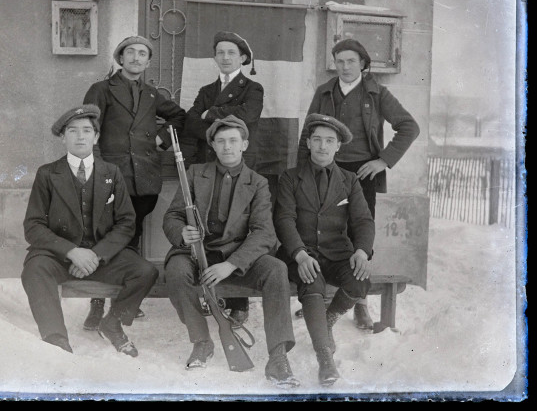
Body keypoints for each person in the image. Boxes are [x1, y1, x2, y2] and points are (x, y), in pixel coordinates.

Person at [162, 115, 299, 389]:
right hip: (193, 254)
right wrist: (181, 233)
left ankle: (278, 356)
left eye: (233, 141)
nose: (227, 147)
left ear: (244, 144)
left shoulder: (258, 183)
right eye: (221, 141)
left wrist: (232, 264)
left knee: (276, 269)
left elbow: (264, 233)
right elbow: (172, 216)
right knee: (176, 272)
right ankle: (201, 342)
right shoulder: (193, 173)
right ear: (212, 145)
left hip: (234, 257)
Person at [296, 38, 420, 329]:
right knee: (322, 230)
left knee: (358, 234)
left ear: (363, 64)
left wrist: (383, 161)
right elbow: (306, 135)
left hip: (362, 174)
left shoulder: (377, 93)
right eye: (340, 61)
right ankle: (322, 297)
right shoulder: (324, 92)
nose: (345, 66)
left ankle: (359, 303)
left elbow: (409, 126)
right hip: (325, 169)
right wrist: (304, 171)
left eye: (351, 61)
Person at [22, 104, 159, 356]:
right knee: (34, 269)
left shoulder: (111, 172)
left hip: (102, 257)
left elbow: (127, 222)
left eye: (87, 130)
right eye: (73, 131)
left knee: (145, 271)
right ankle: (56, 341)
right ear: (63, 138)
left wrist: (95, 255)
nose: (80, 136)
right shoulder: (47, 174)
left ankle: (113, 322)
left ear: (96, 137)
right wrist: (71, 251)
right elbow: (33, 226)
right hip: (60, 258)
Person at [82, 35, 186, 329]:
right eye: (131, 53)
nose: (136, 58)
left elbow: (179, 117)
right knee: (106, 237)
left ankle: (125, 300)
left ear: (148, 62)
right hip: (111, 178)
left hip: (144, 180)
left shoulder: (152, 95)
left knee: (133, 235)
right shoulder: (101, 89)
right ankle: (97, 303)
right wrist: (97, 169)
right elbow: (89, 128)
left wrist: (160, 139)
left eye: (142, 54)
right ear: (120, 57)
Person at [274, 114, 375, 386]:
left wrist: (362, 251)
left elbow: (363, 220)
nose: (322, 146)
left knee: (360, 280)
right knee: (311, 284)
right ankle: (325, 358)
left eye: (329, 141)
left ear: (338, 146)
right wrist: (299, 253)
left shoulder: (349, 180)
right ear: (308, 142)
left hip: (338, 252)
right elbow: (284, 219)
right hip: (303, 253)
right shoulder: (290, 178)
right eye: (317, 139)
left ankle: (330, 317)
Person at [182, 31, 264, 327]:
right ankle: (211, 292)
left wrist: (211, 113)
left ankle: (239, 303)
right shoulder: (206, 88)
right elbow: (191, 123)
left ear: (243, 57)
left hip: (237, 166)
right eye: (220, 52)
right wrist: (207, 116)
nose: (225, 57)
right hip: (208, 164)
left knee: (235, 228)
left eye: (231, 52)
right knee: (209, 226)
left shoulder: (253, 89)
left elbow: (248, 117)